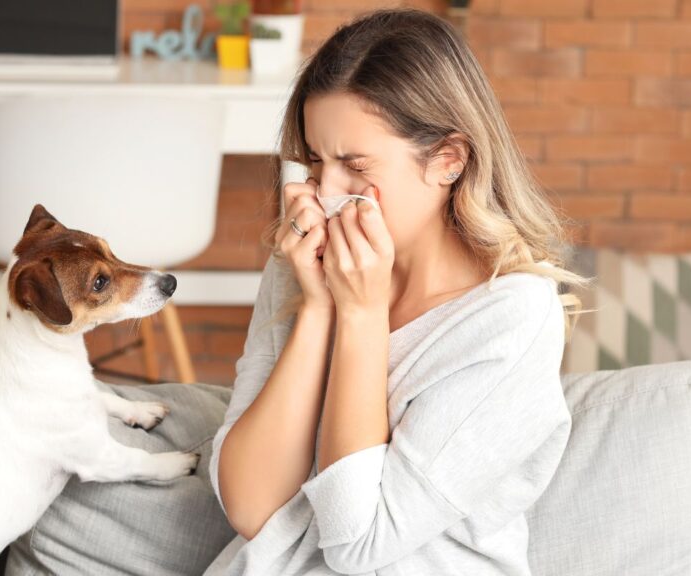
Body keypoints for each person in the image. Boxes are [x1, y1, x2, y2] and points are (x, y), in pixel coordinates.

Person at [205, 8, 590, 575]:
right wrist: (318, 308)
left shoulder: (510, 317)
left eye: (355, 166)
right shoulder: (301, 265)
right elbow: (249, 505)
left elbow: (358, 547)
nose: (327, 191)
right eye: (316, 160)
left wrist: (360, 315)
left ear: (448, 160)